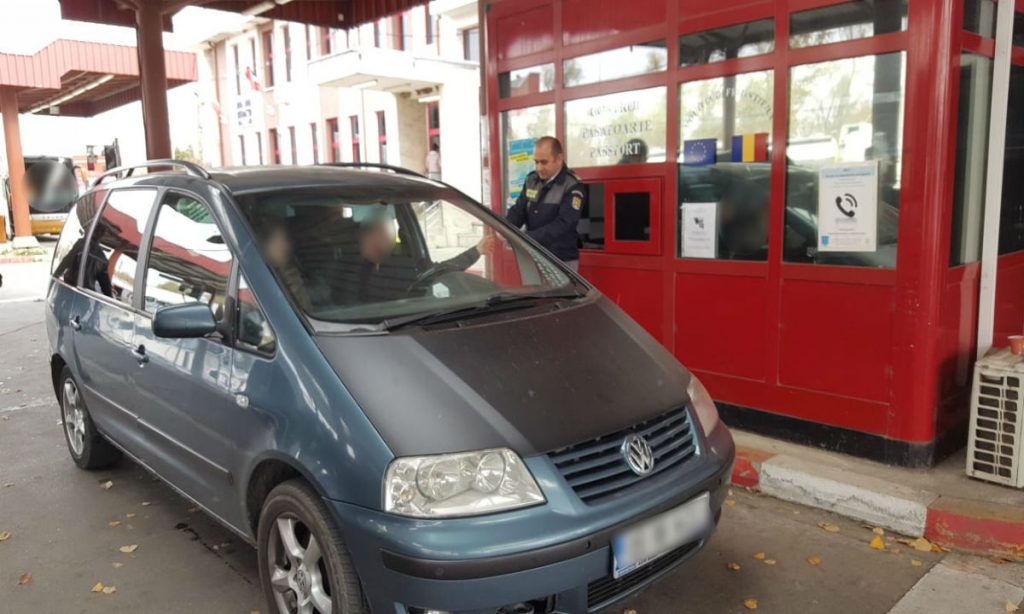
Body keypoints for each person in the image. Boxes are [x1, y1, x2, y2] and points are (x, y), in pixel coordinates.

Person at [506, 136, 585, 272]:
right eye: (536, 162)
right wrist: (505, 227)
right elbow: (519, 210)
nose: (539, 168)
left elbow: (564, 223)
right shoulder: (531, 180)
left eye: (544, 162)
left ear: (559, 159)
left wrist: (528, 238)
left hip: (561, 260)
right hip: (533, 256)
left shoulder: (572, 185)